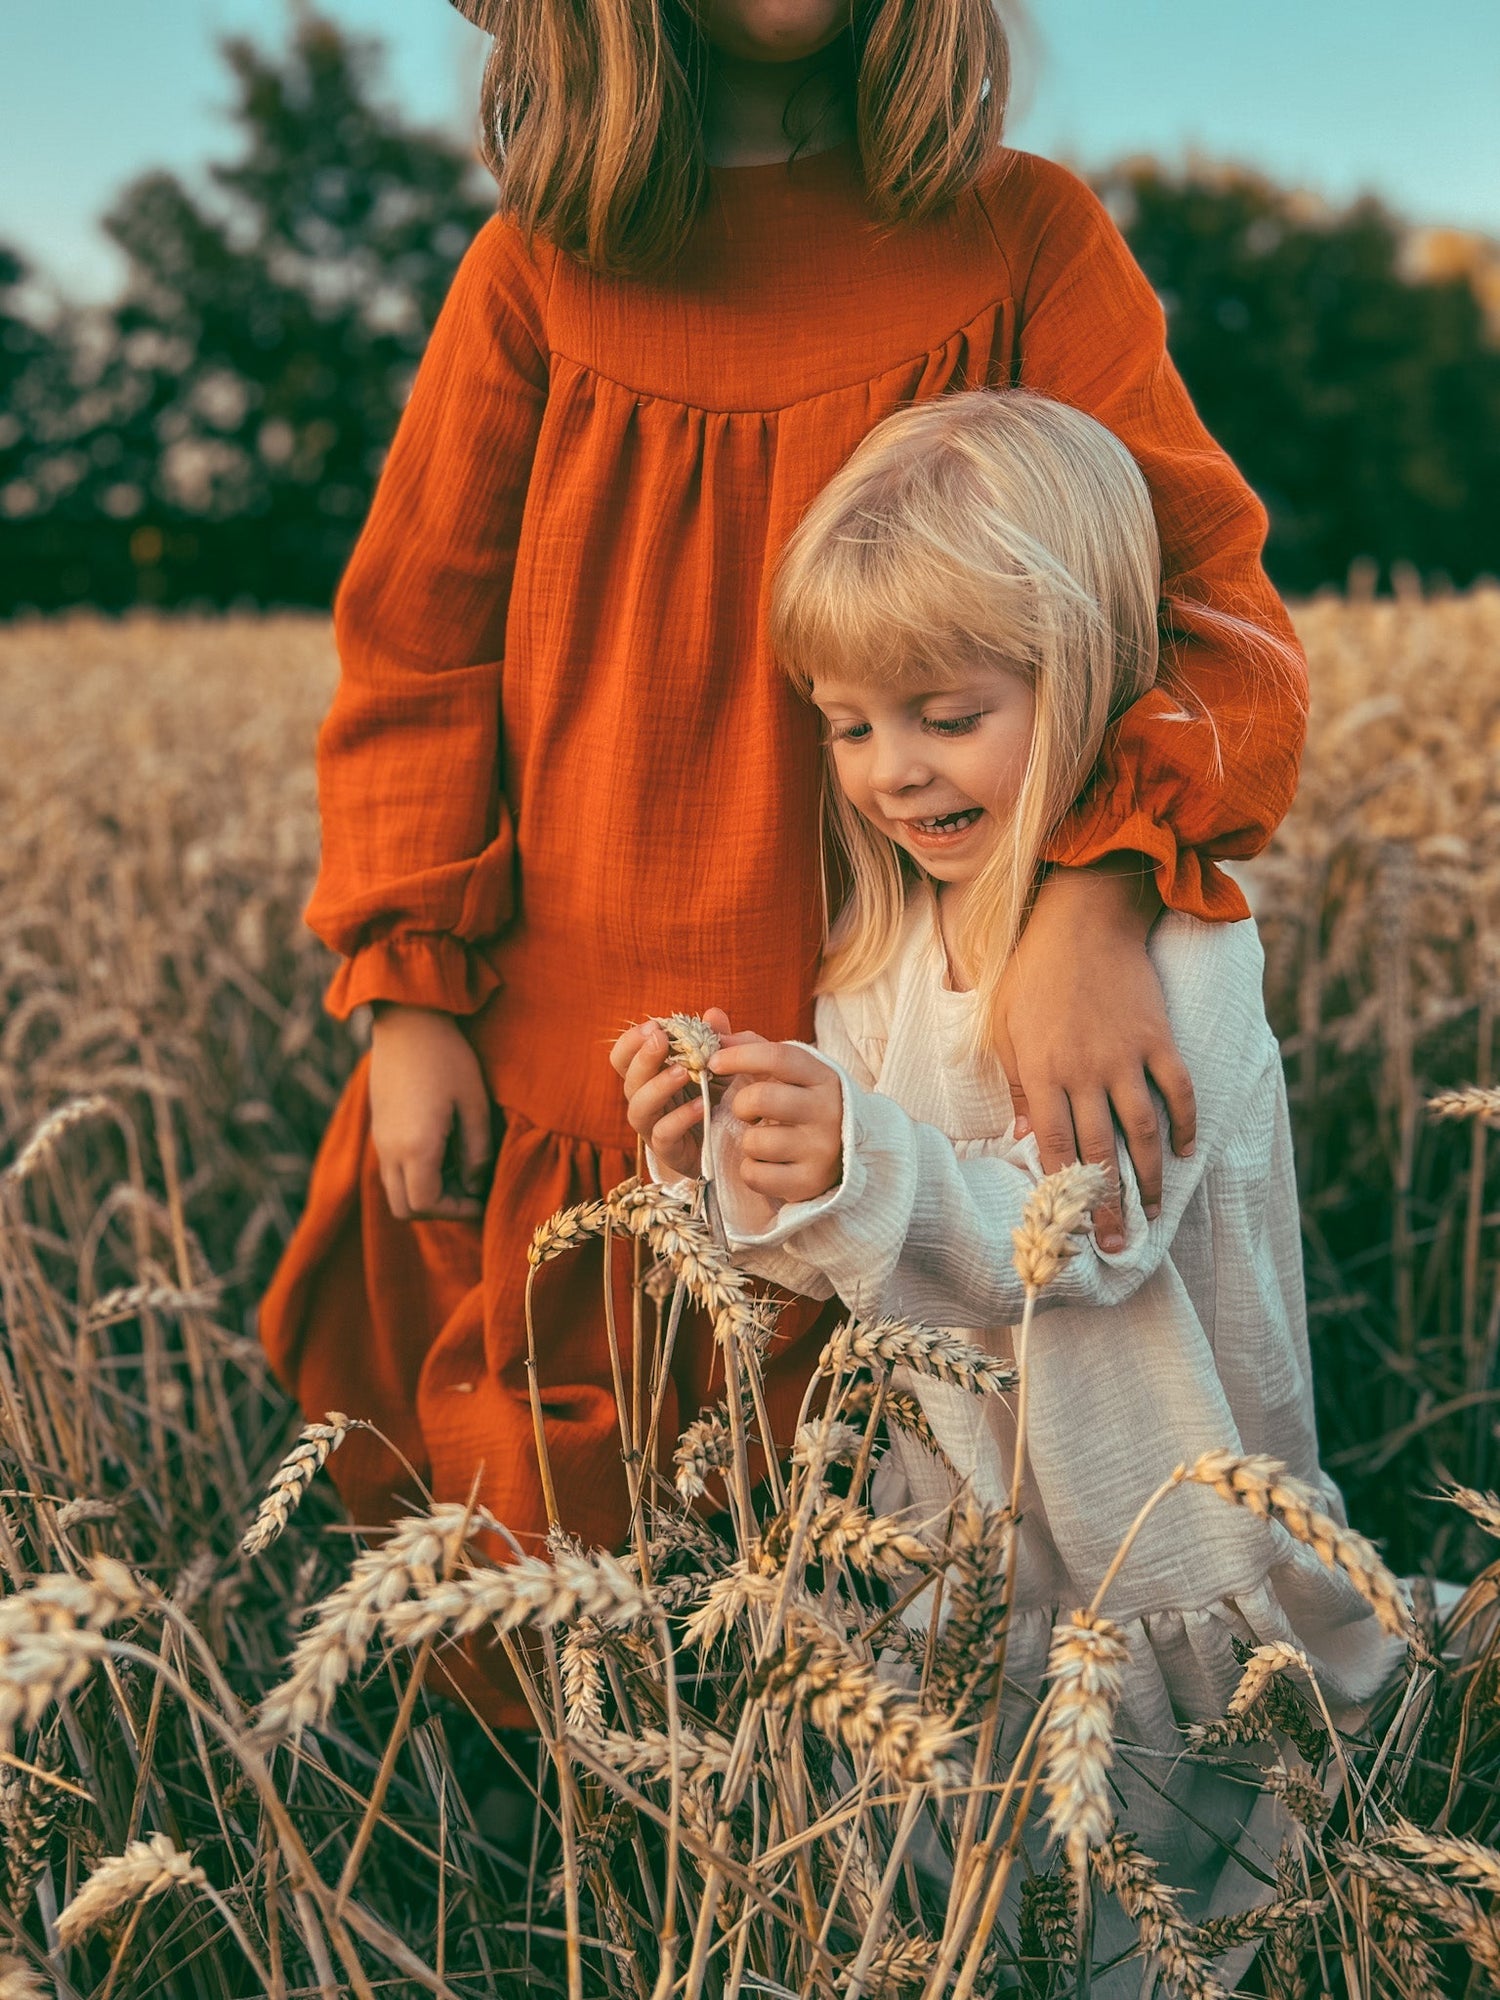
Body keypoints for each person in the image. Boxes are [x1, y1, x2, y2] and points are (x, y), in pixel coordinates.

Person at [259, 0, 1311, 1733]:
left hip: (909, 1054)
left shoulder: (1025, 236)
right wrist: (407, 1000)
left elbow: (1203, 614)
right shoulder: (537, 272)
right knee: (563, 1597)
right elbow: (418, 657)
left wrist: (1095, 893)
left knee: (890, 1622)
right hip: (591, 1060)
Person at [614, 387, 1409, 1949]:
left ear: (1086, 676)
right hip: (967, 1538)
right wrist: (738, 1164)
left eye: (946, 715)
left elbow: (1079, 1242)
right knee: (975, 1910)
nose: (892, 772)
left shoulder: (1176, 955)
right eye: (849, 726)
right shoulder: (880, 946)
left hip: (1152, 1530)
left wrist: (861, 1156)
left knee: (1174, 1923)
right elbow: (865, 1245)